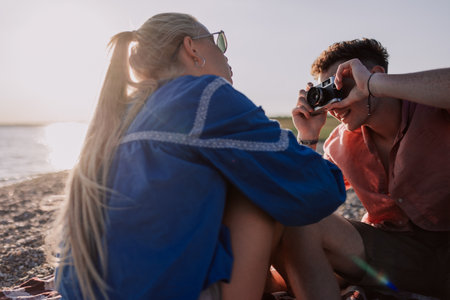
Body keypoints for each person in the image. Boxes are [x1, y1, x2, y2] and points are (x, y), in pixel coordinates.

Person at [48, 13, 346, 300]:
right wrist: (307, 140)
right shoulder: (205, 94)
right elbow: (321, 188)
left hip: (86, 291)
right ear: (191, 48)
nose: (225, 54)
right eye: (217, 42)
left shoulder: (119, 113)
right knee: (263, 192)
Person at [289, 38, 450, 299]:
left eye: (340, 86)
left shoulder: (434, 107)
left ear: (373, 76)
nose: (333, 105)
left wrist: (374, 86)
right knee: (301, 225)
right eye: (327, 92)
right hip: (395, 252)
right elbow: (303, 202)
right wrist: (308, 137)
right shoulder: (339, 144)